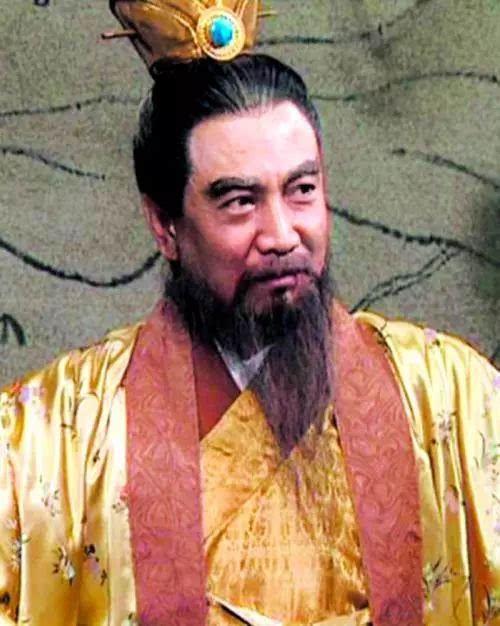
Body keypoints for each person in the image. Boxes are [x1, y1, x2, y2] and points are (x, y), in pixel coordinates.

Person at [0, 2, 498, 625]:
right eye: (239, 201)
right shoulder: (54, 438)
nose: (282, 234)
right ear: (165, 224)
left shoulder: (451, 398)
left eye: (302, 190)